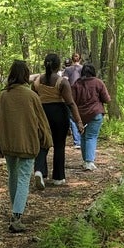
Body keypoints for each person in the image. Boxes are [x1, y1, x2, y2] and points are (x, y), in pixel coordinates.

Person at [0, 60, 53, 233]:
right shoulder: (31, 96)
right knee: (22, 178)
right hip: (27, 142)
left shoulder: (2, 95)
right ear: (25, 75)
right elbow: (41, 121)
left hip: (8, 143)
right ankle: (17, 216)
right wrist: (46, 139)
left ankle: (15, 211)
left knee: (13, 175)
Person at [31, 53, 83, 188]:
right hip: (59, 114)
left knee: (42, 143)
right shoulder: (62, 82)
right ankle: (58, 177)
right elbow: (70, 103)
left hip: (42, 114)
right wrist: (78, 122)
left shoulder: (37, 81)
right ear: (58, 66)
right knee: (59, 145)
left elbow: (33, 99)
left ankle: (39, 171)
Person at [72, 63, 111, 171]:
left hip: (81, 115)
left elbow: (72, 101)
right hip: (95, 113)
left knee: (84, 137)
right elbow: (107, 99)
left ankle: (86, 161)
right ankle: (89, 162)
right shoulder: (98, 82)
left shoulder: (77, 84)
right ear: (93, 72)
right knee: (91, 137)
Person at [63, 52, 84, 149]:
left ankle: (77, 141)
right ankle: (83, 139)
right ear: (80, 59)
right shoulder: (83, 68)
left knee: (72, 117)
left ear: (72, 60)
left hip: (71, 95)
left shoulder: (67, 69)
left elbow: (64, 81)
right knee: (82, 115)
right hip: (82, 95)